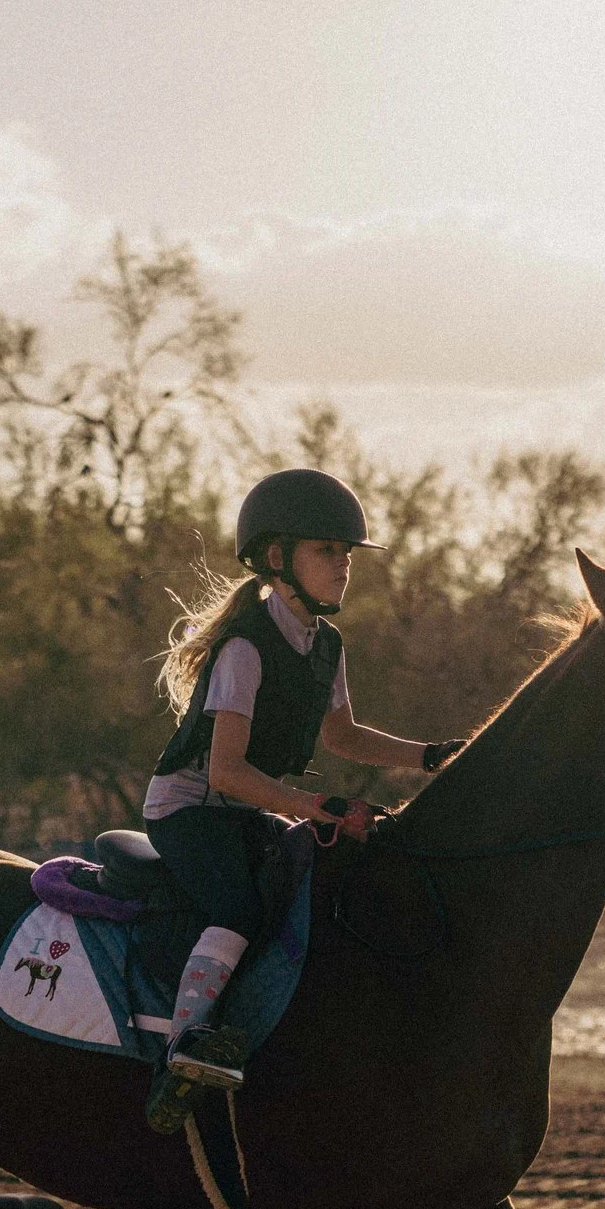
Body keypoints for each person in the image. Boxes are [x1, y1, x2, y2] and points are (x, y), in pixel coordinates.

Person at [143, 469, 464, 1118]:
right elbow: (227, 772)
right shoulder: (244, 648)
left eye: (347, 553)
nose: (344, 565)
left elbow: (344, 736)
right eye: (328, 550)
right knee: (239, 906)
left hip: (241, 809)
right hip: (187, 810)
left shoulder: (327, 645)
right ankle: (182, 1051)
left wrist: (430, 757)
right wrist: (319, 808)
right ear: (275, 558)